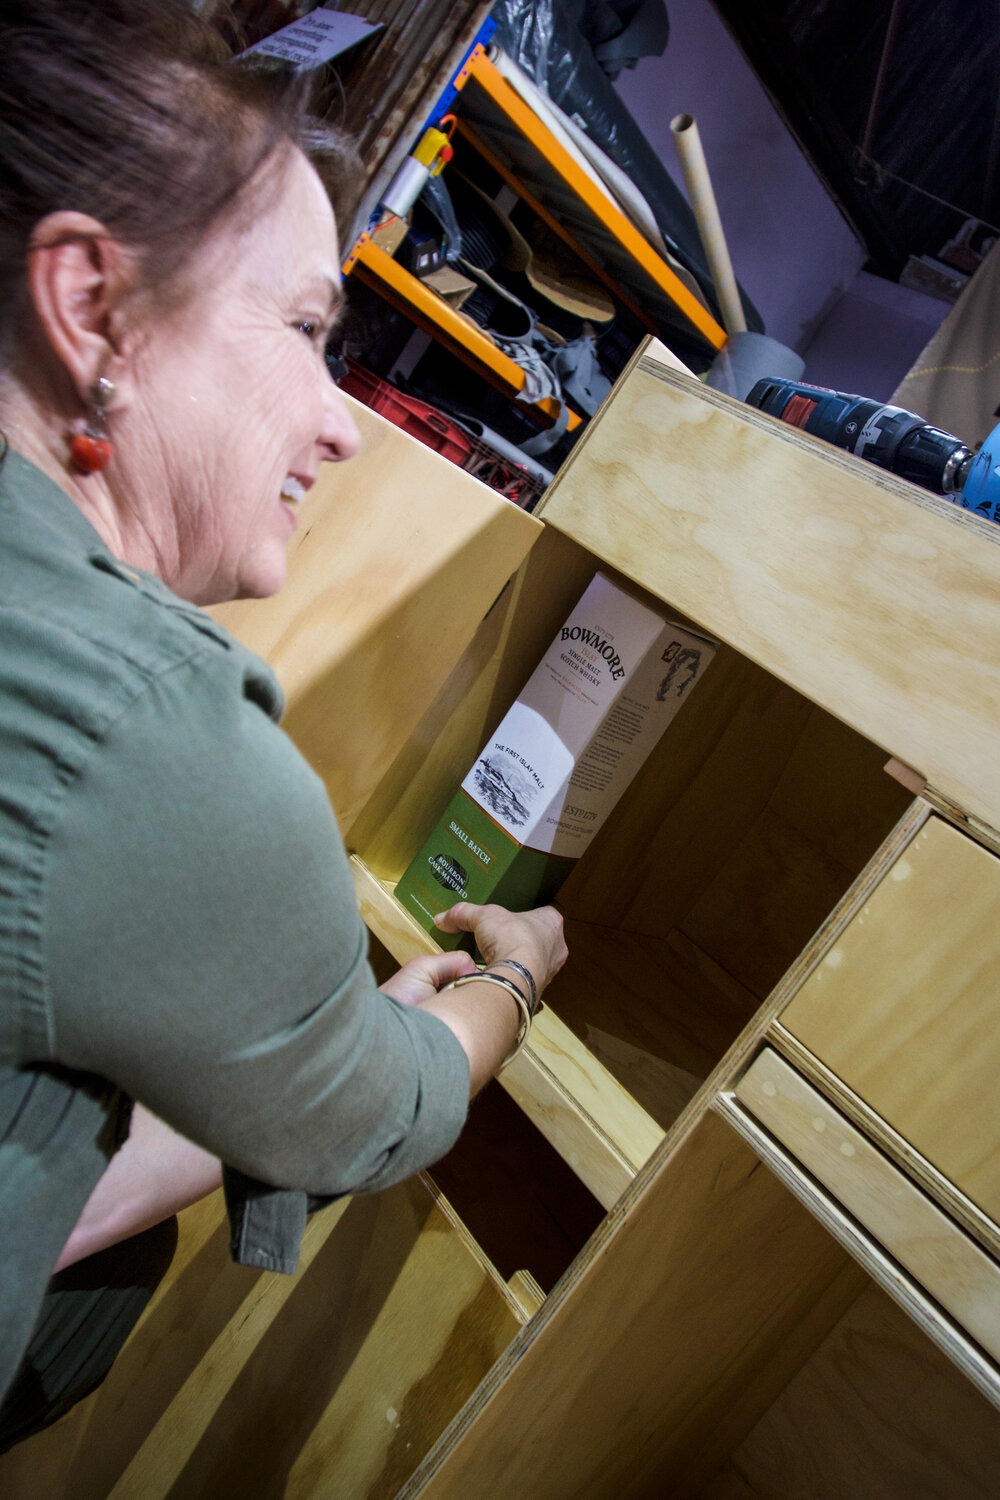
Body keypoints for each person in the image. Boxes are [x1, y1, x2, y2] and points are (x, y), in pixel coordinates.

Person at [0, 0, 567, 1447]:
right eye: (311, 328)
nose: (345, 419)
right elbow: (370, 1113)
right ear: (91, 307)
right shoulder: (137, 726)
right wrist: (506, 985)